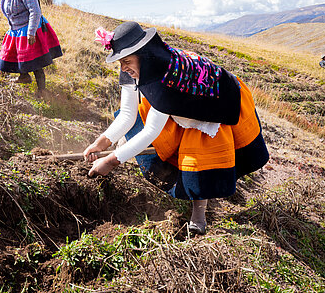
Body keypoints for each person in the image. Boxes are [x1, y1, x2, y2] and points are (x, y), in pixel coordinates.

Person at [83, 22, 269, 235]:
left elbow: (152, 130)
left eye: (127, 61)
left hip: (214, 101)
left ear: (144, 55)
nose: (124, 67)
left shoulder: (168, 76)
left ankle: (199, 215)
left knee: (199, 151)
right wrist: (101, 142)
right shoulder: (131, 68)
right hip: (178, 105)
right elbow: (127, 114)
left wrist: (110, 161)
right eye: (120, 62)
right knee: (150, 121)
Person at [0, 0, 63, 94]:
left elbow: (35, 11)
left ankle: (42, 91)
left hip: (29, 28)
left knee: (36, 61)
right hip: (16, 28)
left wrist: (31, 32)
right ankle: (24, 77)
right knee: (19, 56)